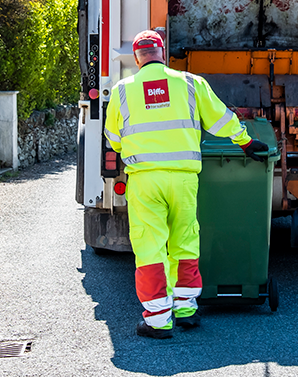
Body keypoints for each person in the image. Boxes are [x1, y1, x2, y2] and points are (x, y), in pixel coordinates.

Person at [104, 30, 269, 339]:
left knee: (151, 246)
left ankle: (158, 320)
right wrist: (246, 142)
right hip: (183, 179)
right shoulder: (191, 84)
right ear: (162, 53)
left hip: (145, 180)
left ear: (137, 59)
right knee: (185, 240)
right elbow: (222, 119)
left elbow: (113, 139)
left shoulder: (123, 90)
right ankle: (186, 309)